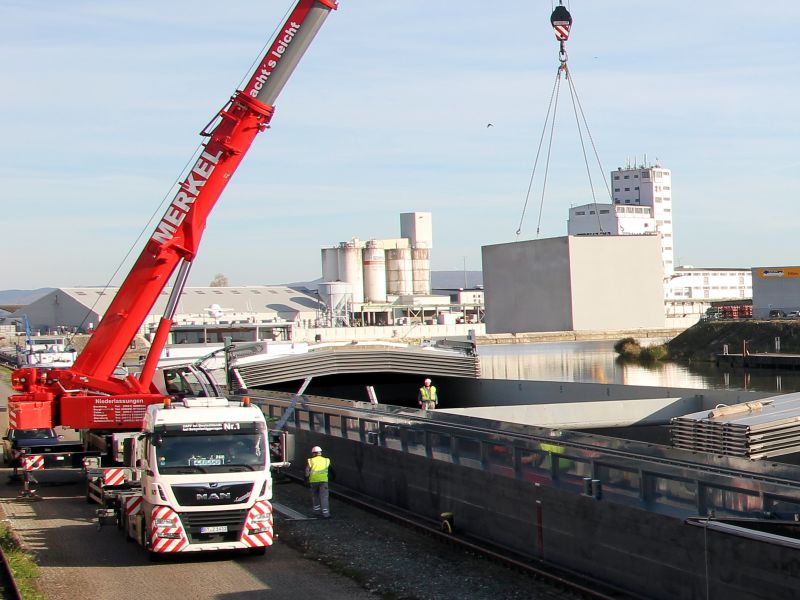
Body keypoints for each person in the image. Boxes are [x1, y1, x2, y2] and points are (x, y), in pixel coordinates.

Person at [305, 445, 334, 518]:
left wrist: (306, 479)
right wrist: (333, 477)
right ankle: (326, 514)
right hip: (323, 481)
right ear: (320, 453)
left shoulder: (310, 460)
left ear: (313, 453)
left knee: (315, 496)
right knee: (324, 497)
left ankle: (316, 512)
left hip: (313, 481)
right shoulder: (326, 460)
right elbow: (331, 470)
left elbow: (307, 471)